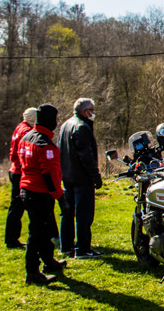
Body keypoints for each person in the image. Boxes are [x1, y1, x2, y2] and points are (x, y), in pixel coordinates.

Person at [18, 104, 67, 285]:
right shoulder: (45, 144)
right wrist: (60, 196)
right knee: (37, 233)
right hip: (39, 192)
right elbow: (49, 175)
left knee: (45, 228)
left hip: (27, 189)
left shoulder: (27, 136)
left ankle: (49, 262)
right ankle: (32, 272)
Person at [58, 98, 103, 258]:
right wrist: (95, 176)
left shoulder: (65, 125)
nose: (94, 112)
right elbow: (86, 156)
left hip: (67, 175)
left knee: (67, 212)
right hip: (81, 177)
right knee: (84, 213)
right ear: (86, 112)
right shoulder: (82, 127)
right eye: (92, 109)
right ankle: (82, 248)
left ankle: (66, 246)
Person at [5, 107, 37, 249]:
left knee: (16, 206)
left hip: (15, 168)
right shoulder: (27, 131)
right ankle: (12, 239)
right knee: (18, 206)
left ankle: (12, 238)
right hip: (20, 170)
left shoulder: (19, 127)